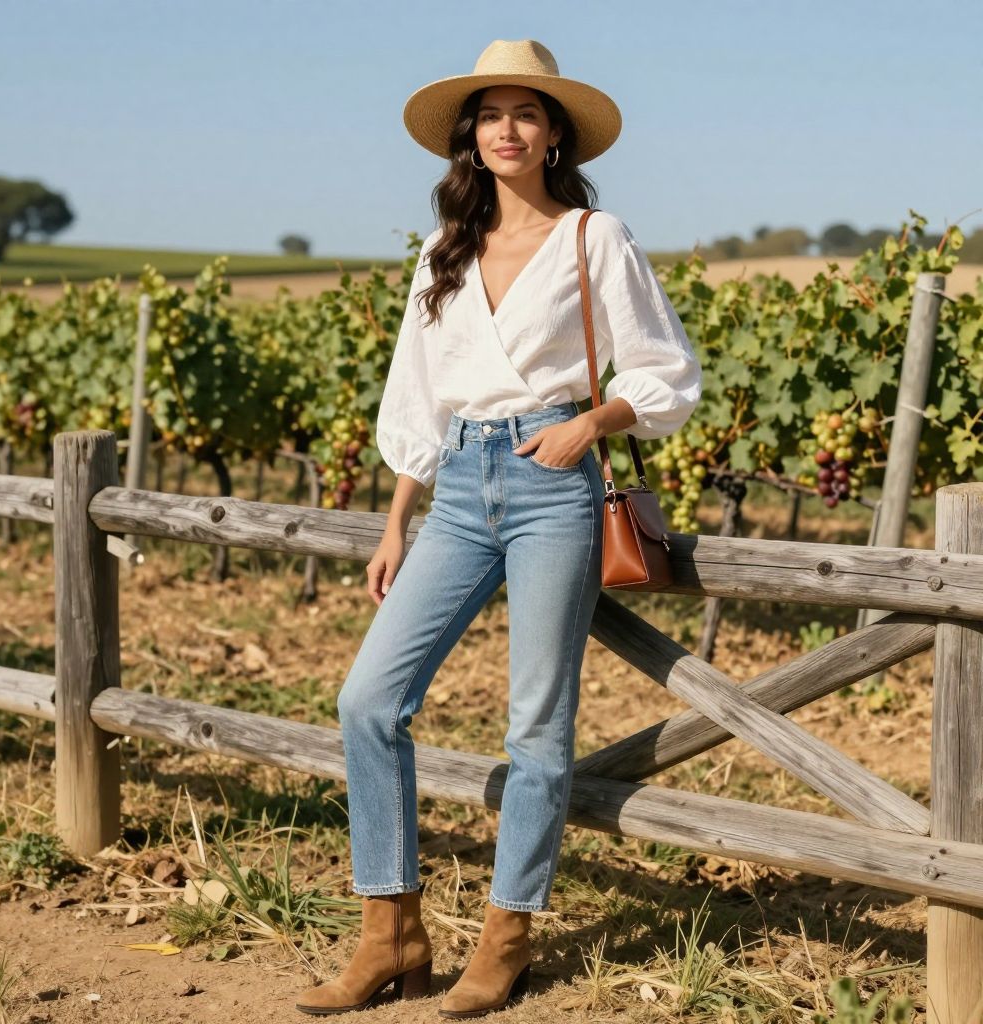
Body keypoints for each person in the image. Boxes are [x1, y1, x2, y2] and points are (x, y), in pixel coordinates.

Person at [295, 37, 702, 1019]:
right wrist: (399, 520)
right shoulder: (443, 255)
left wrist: (589, 423)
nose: (507, 130)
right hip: (457, 487)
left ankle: (506, 934)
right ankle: (389, 932)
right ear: (469, 140)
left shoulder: (592, 239)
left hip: (551, 482)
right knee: (366, 701)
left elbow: (664, 369)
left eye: (526, 113)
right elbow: (416, 397)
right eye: (490, 115)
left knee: (534, 726)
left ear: (555, 135)